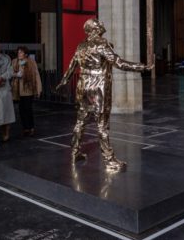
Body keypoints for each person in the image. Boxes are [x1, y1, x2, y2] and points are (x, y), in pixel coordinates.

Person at [56, 18, 152, 172]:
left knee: (81, 121)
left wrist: (63, 82)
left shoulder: (81, 46)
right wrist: (141, 67)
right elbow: (118, 62)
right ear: (92, 29)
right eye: (97, 23)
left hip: (83, 85)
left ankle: (75, 152)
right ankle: (109, 160)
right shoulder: (101, 44)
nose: (101, 24)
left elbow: (71, 67)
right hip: (98, 87)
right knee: (102, 124)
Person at [12, 46, 43, 136]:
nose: (19, 54)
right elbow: (10, 72)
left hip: (28, 89)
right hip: (18, 89)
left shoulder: (31, 62)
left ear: (25, 54)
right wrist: (16, 74)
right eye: (18, 52)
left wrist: (39, 89)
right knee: (21, 110)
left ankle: (31, 127)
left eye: (21, 52)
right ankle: (25, 128)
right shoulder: (14, 62)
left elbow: (37, 75)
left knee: (28, 109)